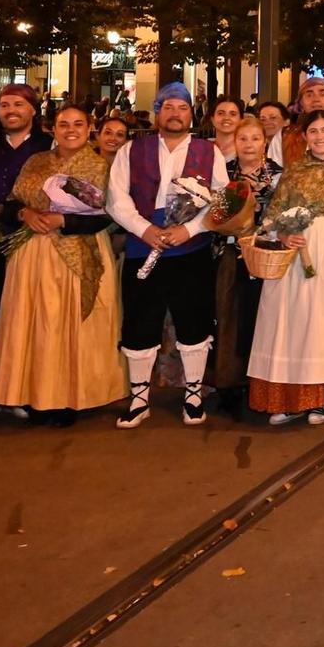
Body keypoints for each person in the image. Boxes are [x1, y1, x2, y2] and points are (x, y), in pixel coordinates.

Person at [0, 106, 125, 426]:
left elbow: (108, 216)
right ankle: (37, 395)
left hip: (80, 250)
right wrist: (25, 215)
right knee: (36, 324)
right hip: (33, 254)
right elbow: (11, 204)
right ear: (52, 128)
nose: (71, 129)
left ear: (90, 128)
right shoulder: (36, 162)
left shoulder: (101, 166)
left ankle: (72, 397)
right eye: (64, 124)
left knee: (72, 325)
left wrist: (64, 218)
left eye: (79, 123)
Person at [107, 82, 230, 429]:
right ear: (158, 112)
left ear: (192, 113)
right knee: (140, 322)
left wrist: (188, 230)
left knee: (194, 322)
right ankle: (139, 398)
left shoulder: (209, 151)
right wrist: (144, 230)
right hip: (142, 244)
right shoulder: (132, 149)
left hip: (190, 249)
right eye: (168, 107)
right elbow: (116, 199)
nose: (175, 114)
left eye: (182, 108)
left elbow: (221, 202)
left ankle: (192, 396)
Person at [246, 110, 324, 424]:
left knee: (322, 327)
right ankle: (287, 400)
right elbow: (270, 218)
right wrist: (283, 233)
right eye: (313, 131)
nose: (320, 137)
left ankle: (319, 400)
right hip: (293, 256)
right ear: (304, 137)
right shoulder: (294, 172)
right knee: (286, 325)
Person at [0, 83, 54, 422]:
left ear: (33, 109)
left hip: (34, 244)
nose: (11, 110)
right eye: (4, 105)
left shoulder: (50, 147)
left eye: (18, 104)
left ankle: (26, 390)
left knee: (28, 316)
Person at [210, 116, 281, 419]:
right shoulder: (222, 171)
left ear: (264, 142)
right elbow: (211, 210)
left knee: (262, 318)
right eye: (243, 139)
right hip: (227, 253)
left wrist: (261, 230)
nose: (249, 145)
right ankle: (228, 383)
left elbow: (283, 211)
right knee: (228, 315)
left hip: (265, 254)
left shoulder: (278, 175)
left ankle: (260, 384)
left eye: (255, 139)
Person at [207, 94, 245, 161]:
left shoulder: (247, 151)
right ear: (212, 119)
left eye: (233, 114)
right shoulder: (202, 149)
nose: (226, 118)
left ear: (241, 120)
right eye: (220, 113)